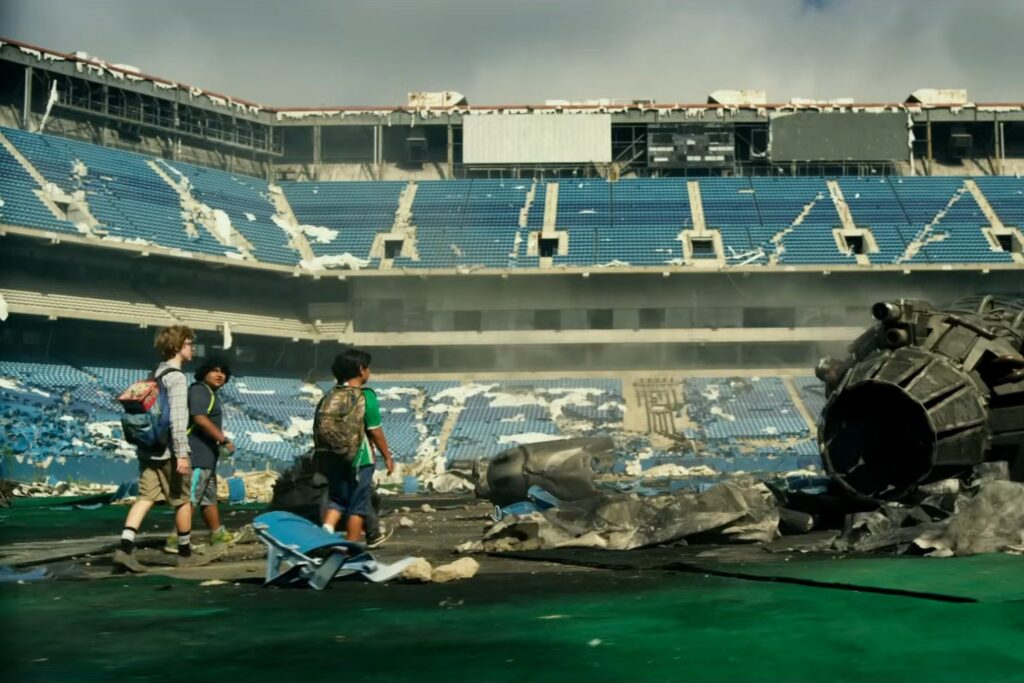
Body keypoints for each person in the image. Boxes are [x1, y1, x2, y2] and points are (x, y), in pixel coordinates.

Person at [113, 325, 197, 572]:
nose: (193, 348)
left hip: (149, 449)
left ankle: (125, 548)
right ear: (178, 346)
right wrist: (182, 454)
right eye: (190, 344)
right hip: (170, 450)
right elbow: (178, 420)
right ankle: (184, 553)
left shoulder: (154, 374)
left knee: (145, 497)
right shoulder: (177, 377)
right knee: (182, 500)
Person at [315, 347, 395, 544]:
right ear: (361, 370)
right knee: (357, 505)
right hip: (359, 458)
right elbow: (375, 430)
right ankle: (351, 549)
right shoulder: (365, 396)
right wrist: (387, 456)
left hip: (331, 457)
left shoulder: (330, 396)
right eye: (368, 368)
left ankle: (324, 536)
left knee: (337, 500)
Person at [164, 356, 236, 553]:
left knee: (208, 498)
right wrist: (224, 440)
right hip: (196, 455)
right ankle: (175, 539)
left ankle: (217, 533)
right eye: (215, 370)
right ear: (204, 373)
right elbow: (200, 418)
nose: (220, 375)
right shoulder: (199, 390)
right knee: (190, 499)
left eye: (223, 372)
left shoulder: (209, 393)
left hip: (207, 458)